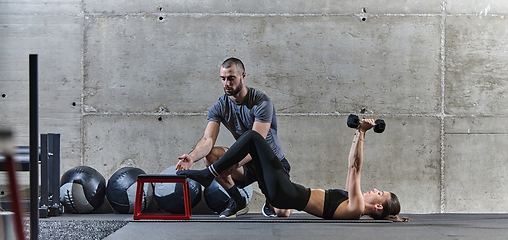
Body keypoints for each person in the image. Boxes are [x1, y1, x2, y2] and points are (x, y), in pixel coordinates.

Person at [177, 119, 407, 221]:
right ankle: (235, 196)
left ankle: (210, 174)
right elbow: (351, 169)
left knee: (253, 137)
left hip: (286, 193)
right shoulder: (351, 202)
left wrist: (364, 134)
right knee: (254, 150)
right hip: (285, 193)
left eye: (380, 192)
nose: (375, 189)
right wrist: (358, 131)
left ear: (378, 206)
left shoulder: (356, 209)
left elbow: (355, 167)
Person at [176, 58, 292, 218]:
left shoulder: (261, 102)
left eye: (231, 78)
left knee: (282, 212)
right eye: (223, 79)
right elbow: (207, 140)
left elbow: (256, 142)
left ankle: (271, 195)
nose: (226, 83)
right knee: (210, 155)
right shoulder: (220, 106)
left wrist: (233, 163)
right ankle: (237, 199)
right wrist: (191, 157)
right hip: (246, 165)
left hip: (270, 161)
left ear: (243, 76)